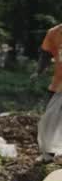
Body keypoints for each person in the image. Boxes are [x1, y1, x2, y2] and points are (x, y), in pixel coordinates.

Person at [31, 23, 62, 163]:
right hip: (58, 84)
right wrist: (38, 71)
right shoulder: (54, 33)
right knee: (49, 118)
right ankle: (48, 153)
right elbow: (46, 54)